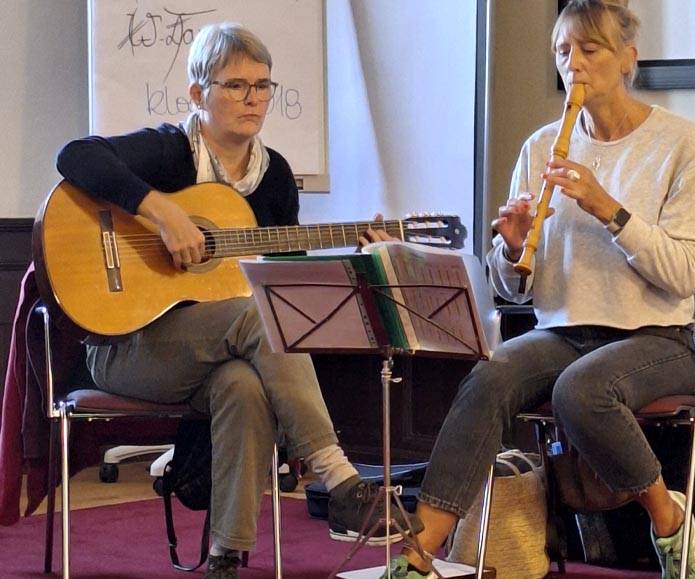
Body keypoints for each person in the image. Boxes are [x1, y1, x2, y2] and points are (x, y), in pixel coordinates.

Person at [55, 22, 421, 579]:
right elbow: (75, 155)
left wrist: (358, 256)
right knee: (259, 317)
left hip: (213, 355)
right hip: (126, 347)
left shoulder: (273, 176)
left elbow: (284, 277)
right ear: (198, 94)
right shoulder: (168, 152)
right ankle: (339, 476)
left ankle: (226, 558)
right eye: (236, 86)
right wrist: (162, 210)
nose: (253, 99)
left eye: (263, 86)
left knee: (243, 384)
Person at [382, 1, 695, 578]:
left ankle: (668, 520)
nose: (575, 63)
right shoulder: (542, 145)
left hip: (658, 338)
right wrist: (513, 250)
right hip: (562, 330)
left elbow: (689, 272)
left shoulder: (681, 144)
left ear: (627, 60)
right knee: (488, 375)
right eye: (564, 52)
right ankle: (421, 554)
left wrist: (607, 209)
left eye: (590, 49)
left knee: (579, 391)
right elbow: (515, 290)